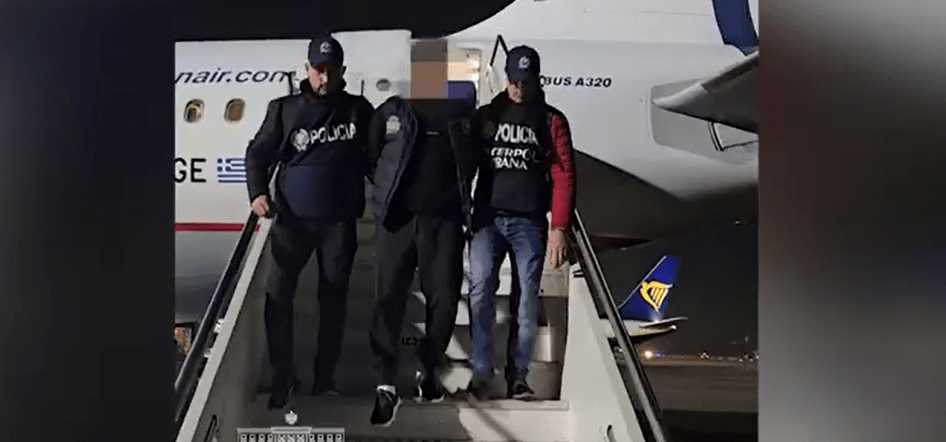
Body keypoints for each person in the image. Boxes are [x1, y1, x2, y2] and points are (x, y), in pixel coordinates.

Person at [244, 35, 375, 410]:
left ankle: (324, 379)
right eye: (319, 70)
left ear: (342, 71)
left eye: (331, 70)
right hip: (293, 222)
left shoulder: (358, 110)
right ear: (307, 69)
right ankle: (282, 377)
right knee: (277, 296)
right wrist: (257, 192)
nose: (325, 77)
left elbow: (375, 158)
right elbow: (257, 152)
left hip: (338, 225)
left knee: (333, 302)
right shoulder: (285, 110)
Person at [466, 45, 576, 400]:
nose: (519, 88)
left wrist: (559, 228)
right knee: (480, 288)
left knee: (526, 302)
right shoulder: (487, 116)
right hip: (487, 219)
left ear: (537, 80)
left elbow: (563, 175)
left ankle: (518, 378)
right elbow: (466, 164)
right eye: (514, 81)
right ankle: (481, 373)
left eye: (525, 82)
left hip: (529, 222)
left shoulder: (551, 120)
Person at [365, 92, 478, 426]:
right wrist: (386, 190)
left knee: (444, 299)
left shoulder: (461, 116)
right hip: (398, 221)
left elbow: (472, 158)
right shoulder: (393, 111)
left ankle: (428, 366)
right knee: (388, 298)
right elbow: (370, 154)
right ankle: (386, 381)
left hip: (443, 222)